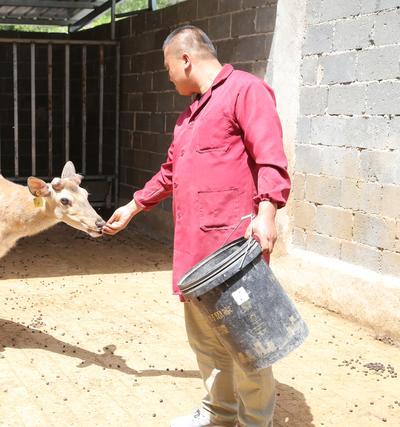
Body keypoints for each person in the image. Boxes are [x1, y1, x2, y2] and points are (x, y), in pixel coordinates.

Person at [103, 25, 291, 427]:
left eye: (168, 65)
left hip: (233, 251)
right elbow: (170, 173)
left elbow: (270, 156)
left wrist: (267, 212)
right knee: (205, 340)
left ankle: (256, 421)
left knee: (247, 342)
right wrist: (134, 205)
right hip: (193, 252)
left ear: (185, 59)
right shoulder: (188, 117)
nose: (168, 74)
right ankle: (219, 412)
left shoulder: (246, 91)